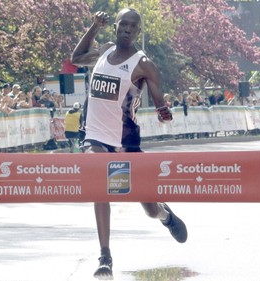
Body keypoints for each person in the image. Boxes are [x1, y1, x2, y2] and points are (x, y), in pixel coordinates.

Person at [71, 8, 187, 279]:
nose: (126, 29)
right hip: (95, 137)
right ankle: (105, 257)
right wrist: (93, 27)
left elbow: (161, 105)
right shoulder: (104, 51)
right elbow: (76, 58)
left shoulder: (143, 63)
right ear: (116, 26)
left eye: (131, 26)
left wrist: (164, 112)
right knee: (100, 186)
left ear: (138, 32)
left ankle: (164, 215)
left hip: (126, 143)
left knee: (149, 209)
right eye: (122, 24)